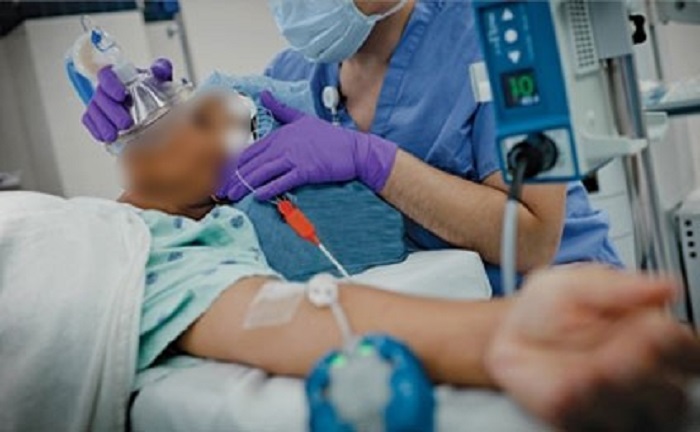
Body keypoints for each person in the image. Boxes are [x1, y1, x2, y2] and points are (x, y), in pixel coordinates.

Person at [81, 67, 699, 431]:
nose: (179, 127)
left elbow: (535, 237)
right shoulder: (302, 67)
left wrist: (372, 161)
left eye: (197, 120)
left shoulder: (486, 38)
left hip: (549, 281)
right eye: (182, 118)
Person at [251, 0, 622, 294]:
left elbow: (534, 241)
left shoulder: (499, 35)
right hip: (430, 318)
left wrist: (371, 160)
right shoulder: (288, 78)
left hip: (558, 303)